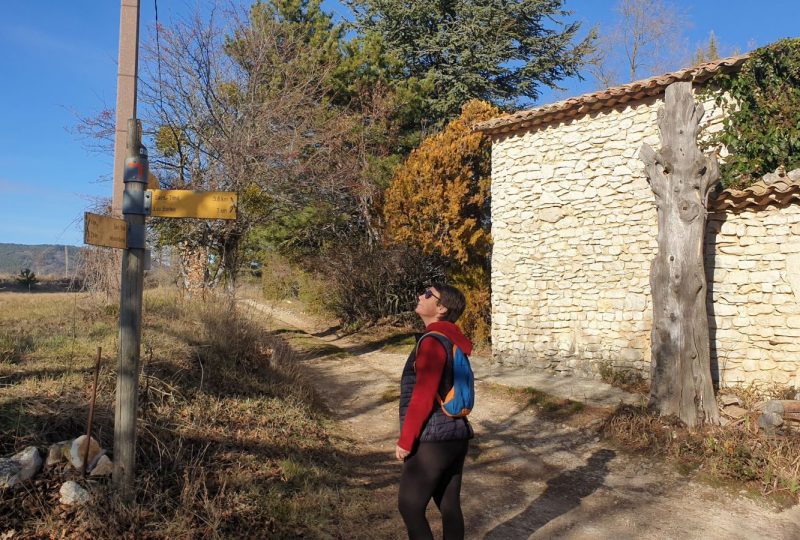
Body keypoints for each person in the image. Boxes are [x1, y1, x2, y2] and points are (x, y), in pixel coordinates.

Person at [397, 283, 474, 540]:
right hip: (457, 434)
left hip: (434, 438)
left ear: (441, 308)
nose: (421, 295)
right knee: (449, 506)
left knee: (409, 506)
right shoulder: (451, 338)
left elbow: (423, 396)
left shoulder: (432, 342)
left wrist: (406, 441)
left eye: (428, 294)